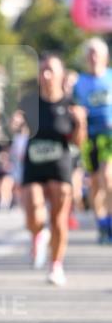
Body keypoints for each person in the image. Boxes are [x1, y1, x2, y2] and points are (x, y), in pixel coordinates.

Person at [17, 53, 86, 284]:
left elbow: (78, 142)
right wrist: (16, 123)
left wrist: (81, 122)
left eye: (51, 71)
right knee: (34, 215)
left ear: (61, 75)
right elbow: (16, 126)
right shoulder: (30, 102)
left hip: (60, 164)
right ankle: (38, 234)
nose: (46, 75)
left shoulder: (70, 105)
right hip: (34, 164)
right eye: (42, 71)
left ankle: (56, 265)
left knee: (59, 219)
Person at [72, 37, 112, 243]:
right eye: (90, 54)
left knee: (108, 177)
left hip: (109, 134)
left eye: (97, 53)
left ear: (105, 56)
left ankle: (111, 221)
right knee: (94, 182)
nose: (93, 57)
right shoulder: (79, 82)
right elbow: (73, 107)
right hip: (89, 135)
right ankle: (102, 223)